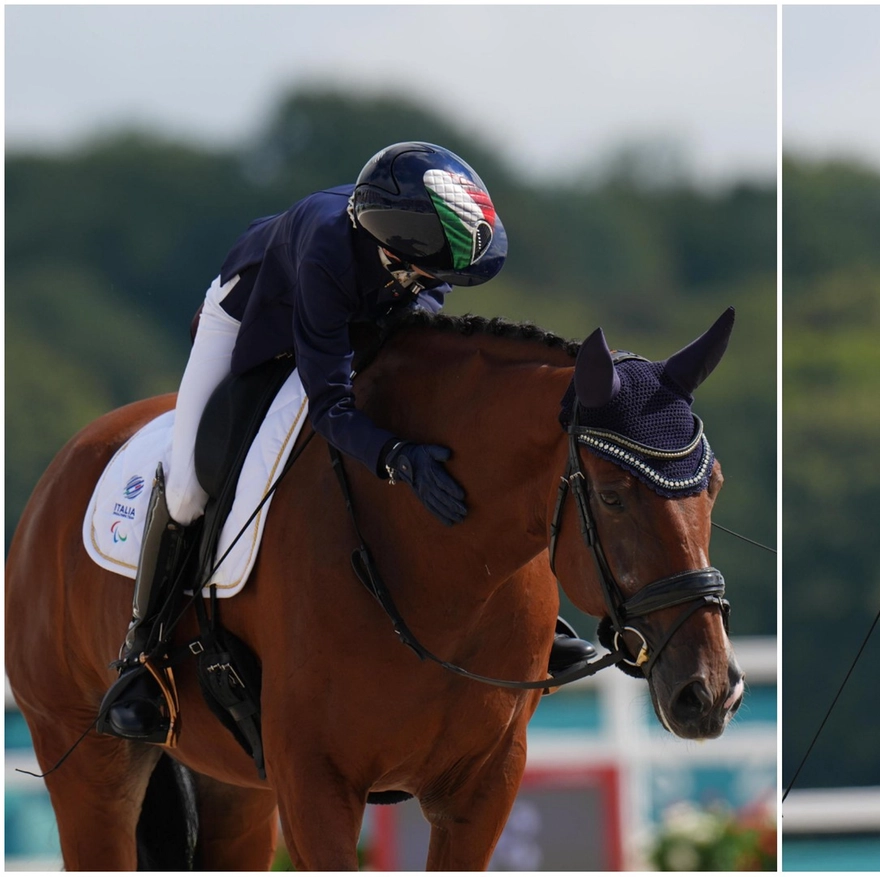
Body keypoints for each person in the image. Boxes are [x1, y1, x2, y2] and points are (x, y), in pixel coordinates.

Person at [98, 142, 598, 742]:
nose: (438, 282)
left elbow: (419, 319)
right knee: (186, 486)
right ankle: (143, 657)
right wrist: (393, 456)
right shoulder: (331, 250)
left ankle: (546, 622)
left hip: (358, 316)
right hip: (252, 321)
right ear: (394, 245)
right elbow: (330, 403)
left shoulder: (417, 251)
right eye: (431, 272)